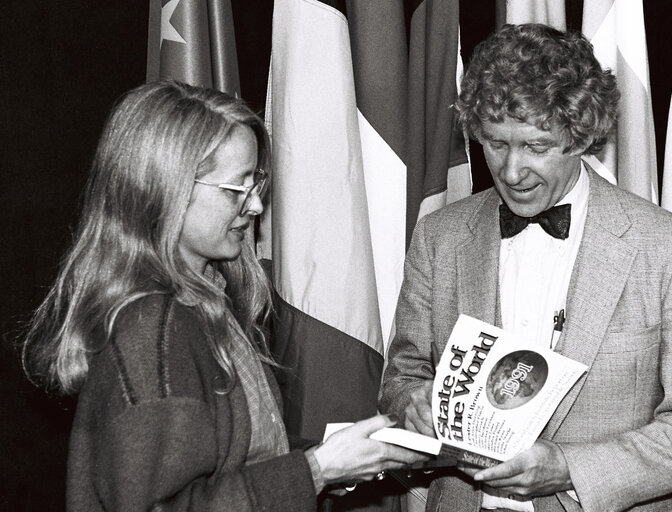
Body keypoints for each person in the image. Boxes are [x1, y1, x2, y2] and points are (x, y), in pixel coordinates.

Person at [379, 23, 672, 512]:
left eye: (535, 147)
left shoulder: (670, 250)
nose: (510, 171)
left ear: (580, 136)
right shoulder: (439, 237)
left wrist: (570, 468)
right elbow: (400, 379)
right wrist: (414, 403)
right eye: (495, 143)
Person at [22, 80, 425, 511]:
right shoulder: (152, 327)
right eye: (236, 189)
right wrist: (317, 470)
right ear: (165, 189)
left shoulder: (203, 298)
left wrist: (333, 457)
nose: (254, 206)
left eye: (257, 183)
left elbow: (235, 459)